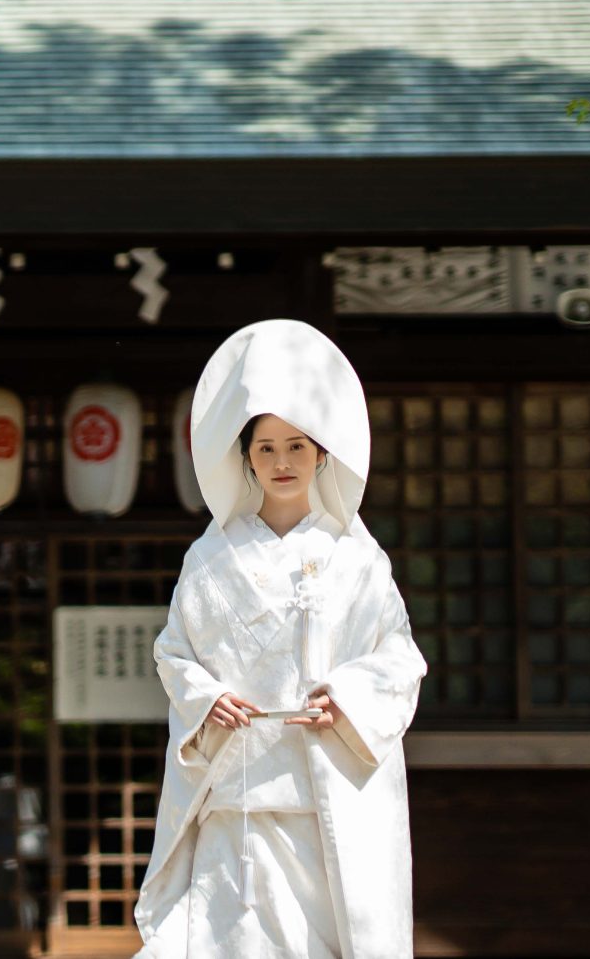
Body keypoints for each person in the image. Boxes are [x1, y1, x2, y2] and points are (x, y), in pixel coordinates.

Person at [134, 319, 425, 959]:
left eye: (296, 446)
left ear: (322, 452)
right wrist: (206, 697)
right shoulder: (209, 560)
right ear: (245, 458)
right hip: (235, 809)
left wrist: (346, 697)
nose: (282, 462)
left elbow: (399, 658)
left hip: (326, 813)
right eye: (265, 448)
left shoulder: (359, 559)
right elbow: (173, 652)